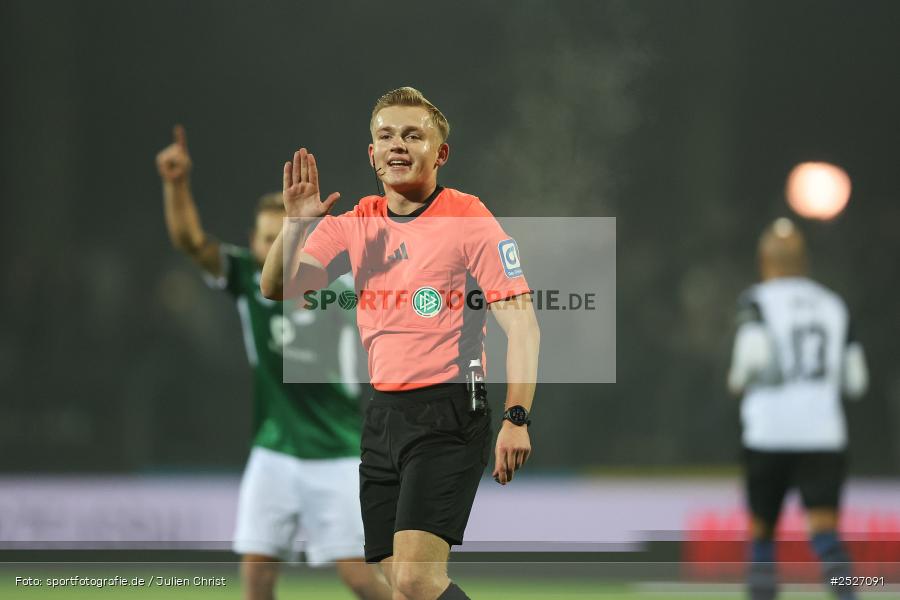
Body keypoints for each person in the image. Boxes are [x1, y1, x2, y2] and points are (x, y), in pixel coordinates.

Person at [260, 87, 541, 600]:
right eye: (385, 135)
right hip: (384, 414)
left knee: (415, 578)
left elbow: (522, 323)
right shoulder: (357, 223)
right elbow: (278, 287)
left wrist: (516, 417)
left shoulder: (468, 216)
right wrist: (296, 226)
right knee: (398, 585)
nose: (397, 145)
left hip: (450, 411)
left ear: (441, 153)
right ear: (371, 154)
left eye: (413, 135)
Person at [155, 125, 392, 600]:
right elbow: (189, 240)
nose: (270, 248)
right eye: (266, 238)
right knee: (257, 578)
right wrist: (175, 184)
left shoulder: (343, 289)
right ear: (255, 241)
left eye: (283, 235)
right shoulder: (246, 277)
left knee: (360, 578)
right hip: (274, 452)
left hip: (339, 451)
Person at [727, 218, 869, 600]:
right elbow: (856, 380)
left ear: (764, 259)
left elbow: (752, 358)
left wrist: (737, 381)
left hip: (768, 431)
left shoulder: (757, 301)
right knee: (825, 534)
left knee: (762, 536)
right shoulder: (833, 304)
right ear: (804, 259)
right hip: (822, 434)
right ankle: (847, 595)